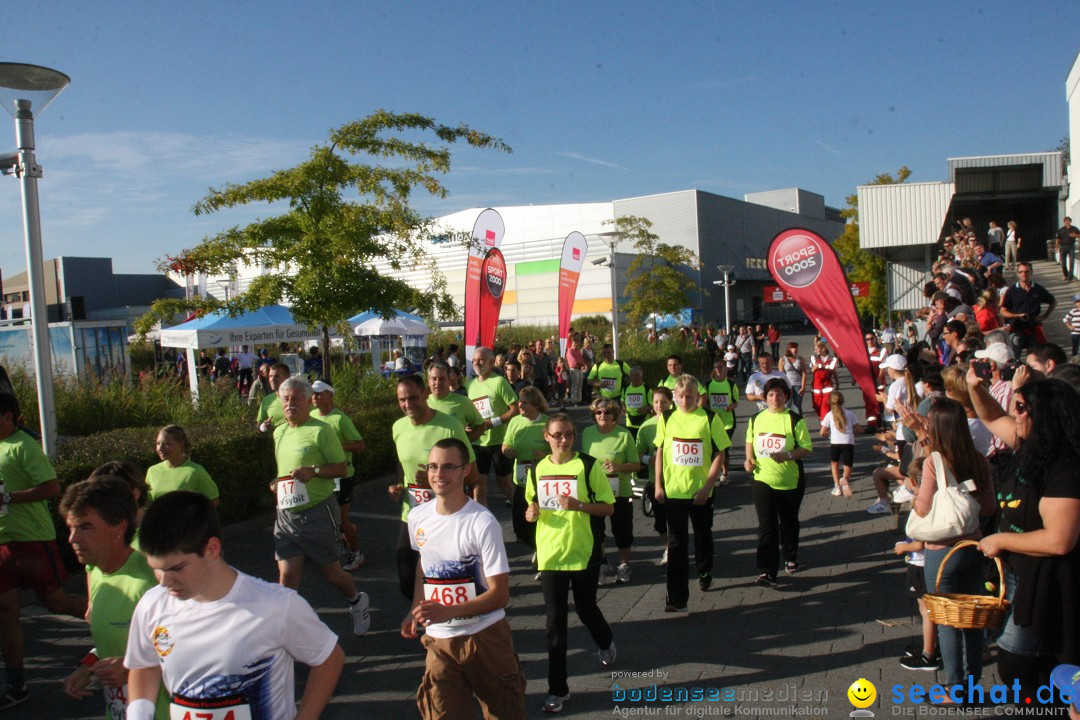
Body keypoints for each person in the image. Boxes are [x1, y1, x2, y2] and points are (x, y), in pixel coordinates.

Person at [124, 491, 344, 720]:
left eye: (176, 568)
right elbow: (145, 664)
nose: (164, 581)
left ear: (212, 549)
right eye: (156, 568)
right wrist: (139, 714)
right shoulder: (152, 605)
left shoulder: (275, 606)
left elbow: (329, 657)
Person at [970, 376, 1080, 704]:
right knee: (1018, 662)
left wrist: (1001, 539)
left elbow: (1059, 540)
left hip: (1047, 584)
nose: (1014, 413)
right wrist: (975, 387)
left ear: (1044, 415)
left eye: (1021, 407)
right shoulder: (1029, 445)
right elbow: (990, 417)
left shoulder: (1065, 470)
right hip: (1018, 574)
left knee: (1022, 661)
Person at [400, 439, 527, 720]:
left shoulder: (482, 522)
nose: (438, 474)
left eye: (448, 466)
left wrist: (448, 611)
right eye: (433, 466)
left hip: (485, 638)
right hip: (439, 640)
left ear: (465, 470)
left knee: (504, 713)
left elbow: (499, 595)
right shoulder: (418, 517)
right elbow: (425, 562)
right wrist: (415, 607)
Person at [525, 414, 616, 714]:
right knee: (555, 624)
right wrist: (531, 513)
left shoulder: (587, 466)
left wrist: (579, 506)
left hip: (583, 550)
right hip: (551, 554)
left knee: (586, 608)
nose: (563, 440)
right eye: (557, 435)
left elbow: (608, 507)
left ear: (574, 436)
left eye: (568, 435)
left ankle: (605, 640)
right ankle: (557, 689)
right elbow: (531, 505)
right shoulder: (537, 469)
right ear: (546, 437)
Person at [904, 399, 995, 696]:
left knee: (946, 621)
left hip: (941, 550)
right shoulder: (979, 459)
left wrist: (913, 492)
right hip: (973, 544)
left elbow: (923, 507)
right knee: (970, 617)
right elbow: (989, 506)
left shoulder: (935, 461)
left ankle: (955, 686)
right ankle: (972, 682)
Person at [0, 396, 86, 709]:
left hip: (32, 539)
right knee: (6, 611)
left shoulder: (23, 445)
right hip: (2, 542)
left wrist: (7, 497)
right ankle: (17, 684)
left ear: (8, 416)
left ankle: (119, 625)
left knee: (56, 602)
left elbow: (52, 488)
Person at [61, 476, 170, 720]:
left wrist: (131, 669)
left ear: (119, 527)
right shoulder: (97, 573)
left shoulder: (152, 581)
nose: (73, 538)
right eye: (71, 528)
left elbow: (192, 650)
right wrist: (86, 666)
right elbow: (117, 644)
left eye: (85, 527)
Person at [271, 377, 371, 635]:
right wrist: (277, 482)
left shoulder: (321, 430)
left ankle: (357, 601)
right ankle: (287, 631)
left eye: (295, 398)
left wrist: (314, 471)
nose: (290, 403)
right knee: (288, 577)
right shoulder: (279, 431)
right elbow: (284, 469)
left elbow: (341, 467)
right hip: (286, 512)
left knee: (331, 572)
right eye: (286, 399)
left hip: (317, 510)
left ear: (307, 401)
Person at [653, 375, 731, 611]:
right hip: (674, 491)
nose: (685, 400)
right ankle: (677, 598)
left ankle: (705, 570)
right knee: (676, 545)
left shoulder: (708, 418)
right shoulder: (666, 418)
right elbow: (660, 452)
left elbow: (720, 454)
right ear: (674, 397)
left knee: (702, 535)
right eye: (681, 396)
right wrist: (658, 484)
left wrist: (708, 487)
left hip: (700, 492)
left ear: (698, 397)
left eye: (690, 396)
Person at [744, 378, 812, 587]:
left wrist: (789, 455)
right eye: (771, 395)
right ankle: (767, 571)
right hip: (762, 478)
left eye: (779, 394)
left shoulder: (794, 420)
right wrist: (748, 459)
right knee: (767, 525)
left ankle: (790, 555)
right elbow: (749, 441)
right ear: (765, 397)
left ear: (786, 396)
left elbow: (807, 448)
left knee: (788, 521)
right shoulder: (756, 419)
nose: (775, 399)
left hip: (789, 480)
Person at [581, 397, 639, 585]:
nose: (602, 414)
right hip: (595, 491)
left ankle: (624, 564)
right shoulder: (588, 433)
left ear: (614, 414)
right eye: (598, 412)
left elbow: (637, 465)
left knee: (622, 530)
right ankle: (602, 562)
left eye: (607, 411)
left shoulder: (624, 435)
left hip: (619, 491)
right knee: (596, 530)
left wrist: (618, 467)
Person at [310, 380, 366, 571]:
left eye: (319, 393)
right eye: (313, 394)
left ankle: (356, 553)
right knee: (327, 517)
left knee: (341, 519)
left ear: (330, 395)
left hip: (343, 475)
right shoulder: (309, 416)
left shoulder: (340, 419)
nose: (315, 397)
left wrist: (336, 447)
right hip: (321, 475)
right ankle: (346, 535)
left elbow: (360, 444)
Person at [893, 456, 940, 672]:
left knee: (926, 609)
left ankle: (929, 653)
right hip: (925, 563)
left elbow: (920, 542)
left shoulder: (923, 505)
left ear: (914, 482)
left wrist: (904, 547)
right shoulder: (935, 499)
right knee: (927, 607)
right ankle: (931, 645)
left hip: (921, 564)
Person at [467, 347, 520, 507]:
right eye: (475, 360)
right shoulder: (469, 385)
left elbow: (515, 409)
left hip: (499, 441)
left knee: (505, 485)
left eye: (481, 360)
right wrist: (468, 424)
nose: (477, 363)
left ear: (491, 362)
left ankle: (522, 516)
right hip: (478, 443)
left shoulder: (499, 382)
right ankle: (482, 526)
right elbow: (468, 412)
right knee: (479, 489)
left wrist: (492, 423)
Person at [501, 386, 549, 552]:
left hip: (542, 481)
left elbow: (561, 451)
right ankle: (538, 548)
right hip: (521, 481)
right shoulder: (515, 422)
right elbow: (506, 444)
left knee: (540, 519)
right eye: (520, 401)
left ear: (536, 404)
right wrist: (508, 451)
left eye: (525, 402)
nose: (519, 405)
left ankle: (542, 551)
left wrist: (545, 455)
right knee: (519, 526)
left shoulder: (547, 422)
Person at [637, 387, 673, 566]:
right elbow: (637, 453)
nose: (660, 405)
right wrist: (647, 458)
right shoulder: (646, 426)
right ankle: (667, 548)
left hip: (677, 480)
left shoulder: (678, 421)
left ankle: (677, 548)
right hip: (656, 480)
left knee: (675, 518)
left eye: (664, 402)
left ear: (671, 402)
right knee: (660, 520)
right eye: (656, 402)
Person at [145, 424, 220, 506]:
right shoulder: (152, 471)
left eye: (166, 444)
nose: (160, 448)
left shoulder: (195, 471)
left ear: (181, 444)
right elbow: (147, 503)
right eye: (158, 444)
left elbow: (213, 502)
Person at [1000, 262, 1056, 360]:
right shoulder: (1011, 291)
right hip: (1016, 328)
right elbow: (1003, 311)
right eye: (1021, 272)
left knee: (1036, 356)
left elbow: (1053, 301)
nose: (1024, 274)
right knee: (1014, 355)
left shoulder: (1038, 289)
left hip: (1033, 328)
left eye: (1026, 272)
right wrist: (1016, 316)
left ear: (1031, 272)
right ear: (1017, 273)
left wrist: (1044, 316)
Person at [426, 362, 486, 442]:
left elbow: (481, 426)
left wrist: (465, 442)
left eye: (442, 379)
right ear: (428, 381)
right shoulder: (423, 403)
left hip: (454, 453)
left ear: (449, 380)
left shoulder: (463, 402)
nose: (438, 383)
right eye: (434, 378)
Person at [705, 360, 739, 485]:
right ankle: (712, 473)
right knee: (712, 449)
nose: (718, 369)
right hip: (714, 421)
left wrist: (730, 407)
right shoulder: (708, 384)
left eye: (720, 367)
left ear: (725, 368)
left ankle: (725, 474)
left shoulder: (730, 384)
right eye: (716, 367)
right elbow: (705, 401)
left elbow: (736, 402)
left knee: (723, 448)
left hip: (728, 422)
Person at [820, 392, 859, 498]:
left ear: (830, 402)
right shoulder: (850, 413)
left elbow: (822, 432)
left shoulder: (829, 415)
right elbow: (858, 428)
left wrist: (828, 434)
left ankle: (837, 487)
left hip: (835, 442)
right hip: (848, 442)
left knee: (834, 464)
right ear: (842, 401)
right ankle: (845, 479)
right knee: (848, 465)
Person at [256, 362, 291, 433]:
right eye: (270, 376)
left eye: (277, 376)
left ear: (287, 378)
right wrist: (263, 427)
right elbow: (258, 427)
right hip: (277, 442)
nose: (272, 379)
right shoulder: (267, 400)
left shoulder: (300, 397)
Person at [808, 342, 838, 419]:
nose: (816, 350)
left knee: (825, 407)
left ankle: (824, 426)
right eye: (815, 348)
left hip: (827, 385)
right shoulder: (813, 358)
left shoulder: (832, 359)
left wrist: (837, 382)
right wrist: (815, 367)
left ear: (823, 348)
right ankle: (821, 419)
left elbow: (833, 371)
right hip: (816, 386)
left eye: (817, 348)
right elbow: (811, 371)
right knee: (817, 407)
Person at [621, 365, 650, 438]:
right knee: (632, 443)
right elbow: (622, 400)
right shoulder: (626, 388)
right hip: (630, 421)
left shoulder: (646, 388)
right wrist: (623, 407)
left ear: (641, 375)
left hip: (644, 420)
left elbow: (653, 405)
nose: (634, 377)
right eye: (632, 375)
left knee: (643, 443)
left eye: (637, 375)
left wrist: (644, 409)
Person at [778, 342, 807, 413]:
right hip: (788, 385)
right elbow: (781, 375)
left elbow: (804, 373)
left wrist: (803, 387)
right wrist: (782, 387)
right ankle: (788, 421)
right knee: (787, 405)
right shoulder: (783, 359)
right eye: (793, 348)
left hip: (798, 384)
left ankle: (799, 421)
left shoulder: (800, 359)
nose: (795, 349)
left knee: (797, 406)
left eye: (796, 347)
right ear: (789, 349)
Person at [565, 336, 587, 405]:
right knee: (575, 385)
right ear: (572, 343)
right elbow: (574, 362)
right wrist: (581, 364)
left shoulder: (578, 351)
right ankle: (574, 400)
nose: (576, 344)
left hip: (579, 369)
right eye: (575, 343)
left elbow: (581, 360)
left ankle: (579, 399)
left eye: (577, 343)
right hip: (574, 370)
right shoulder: (570, 351)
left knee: (580, 385)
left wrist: (582, 364)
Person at [1057, 216, 1079, 282]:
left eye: (1068, 220)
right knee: (1063, 263)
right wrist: (1056, 247)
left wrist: (1075, 236)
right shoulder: (1061, 229)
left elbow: (1079, 235)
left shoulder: (1074, 229)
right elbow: (1058, 238)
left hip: (1071, 247)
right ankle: (1065, 275)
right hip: (1062, 247)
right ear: (1064, 222)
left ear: (1070, 221)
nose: (1067, 222)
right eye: (1066, 221)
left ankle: (1070, 277)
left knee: (1072, 262)